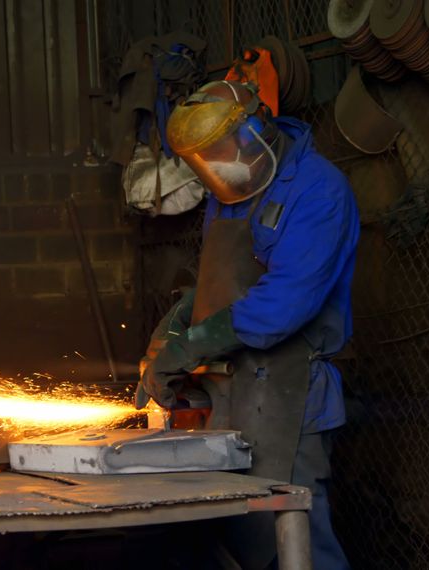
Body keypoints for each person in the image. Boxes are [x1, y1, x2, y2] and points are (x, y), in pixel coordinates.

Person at [136, 79, 358, 569]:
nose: (215, 167)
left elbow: (282, 304)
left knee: (297, 541)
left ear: (256, 129)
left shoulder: (318, 191)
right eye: (202, 160)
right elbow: (226, 285)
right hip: (231, 395)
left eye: (220, 150)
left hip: (290, 396)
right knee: (235, 543)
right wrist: (176, 326)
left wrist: (193, 345)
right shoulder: (230, 191)